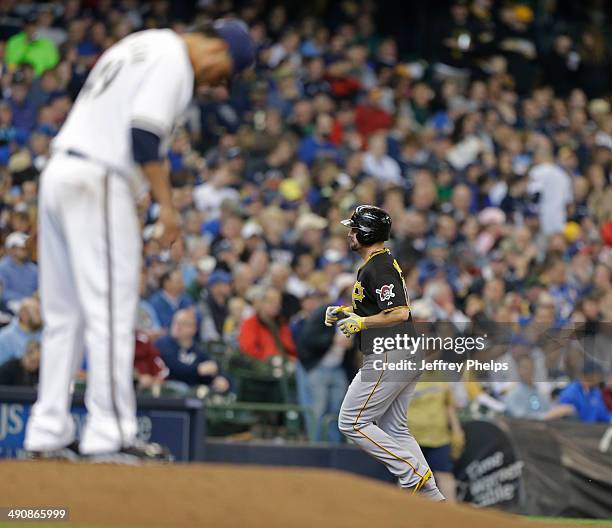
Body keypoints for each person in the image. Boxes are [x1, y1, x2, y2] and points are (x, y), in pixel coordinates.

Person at [24, 19, 254, 462]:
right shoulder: (175, 58)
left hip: (60, 173)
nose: (215, 84)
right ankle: (110, 433)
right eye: (223, 73)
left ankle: (46, 431)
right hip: (100, 177)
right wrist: (167, 207)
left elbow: (94, 118)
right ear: (218, 52)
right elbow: (144, 135)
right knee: (111, 311)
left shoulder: (136, 44)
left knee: (63, 317)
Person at [330, 205, 445, 501]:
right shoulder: (378, 263)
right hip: (403, 352)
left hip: (389, 352)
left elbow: (399, 312)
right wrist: (347, 313)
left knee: (351, 422)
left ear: (366, 232)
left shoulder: (378, 265)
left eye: (353, 228)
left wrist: (361, 321)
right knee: (395, 428)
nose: (350, 233)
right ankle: (432, 498)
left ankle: (412, 472)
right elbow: (379, 308)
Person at [155, 309, 229, 393]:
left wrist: (217, 378)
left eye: (183, 324)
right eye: (175, 322)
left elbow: (211, 366)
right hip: (168, 390)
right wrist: (198, 369)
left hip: (193, 391)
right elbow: (173, 368)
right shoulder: (162, 344)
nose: (178, 327)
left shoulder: (197, 349)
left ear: (194, 328)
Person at [0, 232, 38, 308]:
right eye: (23, 248)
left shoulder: (33, 268)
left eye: (27, 248)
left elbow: (38, 289)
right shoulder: (2, 267)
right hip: (8, 307)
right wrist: (24, 299)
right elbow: (3, 293)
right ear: (11, 250)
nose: (26, 251)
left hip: (32, 304)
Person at [0, 297, 42, 367]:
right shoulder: (5, 337)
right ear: (24, 315)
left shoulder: (44, 333)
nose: (41, 317)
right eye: (37, 312)